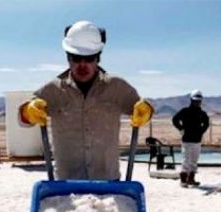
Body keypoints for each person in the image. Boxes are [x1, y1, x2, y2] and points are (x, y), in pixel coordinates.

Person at [19, 20, 153, 180]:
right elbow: (23, 120)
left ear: (98, 58)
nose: (82, 65)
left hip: (108, 183)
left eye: (89, 58)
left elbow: (142, 109)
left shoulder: (118, 87)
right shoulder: (52, 90)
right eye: (76, 58)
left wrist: (147, 111)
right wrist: (27, 112)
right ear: (68, 58)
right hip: (66, 186)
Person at [172, 90, 210, 187]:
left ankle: (191, 179)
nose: (197, 103)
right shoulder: (185, 111)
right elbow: (175, 119)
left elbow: (206, 123)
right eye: (195, 101)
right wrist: (181, 129)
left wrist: (201, 131)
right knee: (186, 160)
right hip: (187, 140)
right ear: (191, 100)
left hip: (197, 141)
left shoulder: (202, 113)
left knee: (194, 161)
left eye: (198, 101)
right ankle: (183, 180)